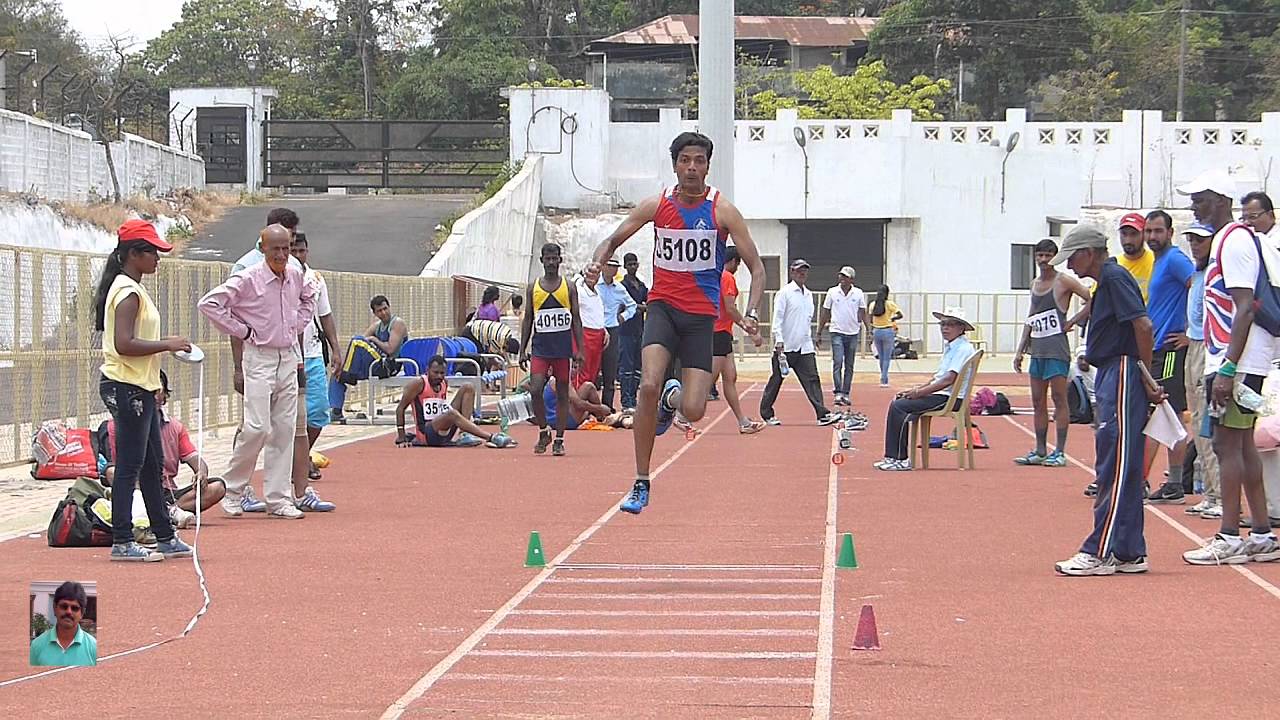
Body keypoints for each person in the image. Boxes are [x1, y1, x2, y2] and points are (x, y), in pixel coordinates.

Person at [585, 131, 766, 515]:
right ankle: (640, 480)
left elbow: (758, 268)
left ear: (708, 166)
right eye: (685, 160)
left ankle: (673, 399)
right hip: (663, 309)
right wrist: (596, 261)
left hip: (701, 319)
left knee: (696, 409)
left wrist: (750, 314)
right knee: (647, 384)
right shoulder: (657, 205)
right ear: (675, 165)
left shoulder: (723, 212)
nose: (692, 168)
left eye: (699, 161)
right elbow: (612, 241)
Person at [1178, 171, 1280, 565]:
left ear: (1221, 200)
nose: (1195, 206)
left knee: (1225, 445)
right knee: (1239, 444)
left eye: (1201, 199)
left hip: (1235, 360)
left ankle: (1230, 535)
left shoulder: (1233, 241)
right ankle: (1259, 533)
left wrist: (1228, 368)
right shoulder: (1232, 239)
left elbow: (1245, 307)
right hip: (1239, 358)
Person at [1052, 224, 1164, 576]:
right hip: (1115, 371)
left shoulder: (1114, 278)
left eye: (1072, 256)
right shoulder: (1109, 281)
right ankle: (1128, 550)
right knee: (1125, 466)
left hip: (1121, 372)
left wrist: (1143, 376)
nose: (1069, 265)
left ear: (1088, 252)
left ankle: (1099, 549)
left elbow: (1143, 326)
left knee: (1112, 464)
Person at [199, 224, 318, 520]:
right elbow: (210, 304)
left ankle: (278, 498)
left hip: (287, 356)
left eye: (285, 248)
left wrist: (296, 324)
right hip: (259, 357)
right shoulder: (248, 278)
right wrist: (243, 331)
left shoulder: (295, 275)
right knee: (257, 427)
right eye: (275, 249)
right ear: (262, 248)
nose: (281, 254)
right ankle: (232, 490)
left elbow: (310, 296)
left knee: (285, 429)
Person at [93, 219, 192, 562]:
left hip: (140, 386)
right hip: (127, 386)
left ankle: (164, 535)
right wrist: (168, 344)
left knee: (151, 463)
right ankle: (122, 539)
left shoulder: (131, 287)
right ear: (134, 254)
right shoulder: (128, 293)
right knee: (131, 464)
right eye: (152, 252)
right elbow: (123, 344)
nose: (158, 258)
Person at [102, 370, 228, 528]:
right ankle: (165, 512)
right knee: (113, 472)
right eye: (149, 392)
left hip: (167, 491)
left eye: (158, 391)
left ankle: (166, 509)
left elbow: (196, 460)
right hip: (135, 487)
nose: (153, 396)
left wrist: (201, 473)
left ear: (164, 397)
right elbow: (114, 465)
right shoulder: (115, 426)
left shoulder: (175, 427)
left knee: (217, 487)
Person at [1012, 239, 1091, 468]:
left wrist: (1073, 321)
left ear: (1055, 258)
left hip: (1057, 350)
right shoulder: (1035, 283)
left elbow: (1090, 298)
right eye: (1040, 256)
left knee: (1059, 399)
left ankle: (1060, 451)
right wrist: (1020, 350)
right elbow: (1032, 315)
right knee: (1037, 401)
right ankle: (1039, 449)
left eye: (1048, 256)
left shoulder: (1063, 280)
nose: (1044, 260)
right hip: (1038, 350)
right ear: (1035, 257)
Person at [874, 307, 978, 472]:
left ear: (961, 328)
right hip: (942, 394)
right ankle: (892, 456)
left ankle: (901, 459)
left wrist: (919, 393)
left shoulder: (963, 349)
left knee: (900, 407)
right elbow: (938, 377)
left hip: (950, 398)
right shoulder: (952, 347)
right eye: (943, 324)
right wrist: (915, 390)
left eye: (950, 324)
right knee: (899, 401)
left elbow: (949, 379)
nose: (945, 328)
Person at [1142, 210, 1197, 504]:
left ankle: (1174, 483)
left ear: (1170, 232)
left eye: (1158, 231)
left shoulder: (1176, 260)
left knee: (1170, 414)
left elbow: (1198, 288)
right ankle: (1166, 481)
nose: (1152, 237)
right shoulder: (1159, 262)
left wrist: (1191, 332)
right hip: (1158, 349)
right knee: (1163, 413)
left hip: (1172, 349)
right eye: (1148, 231)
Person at [520, 243, 584, 456]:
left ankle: (559, 439)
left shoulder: (569, 286)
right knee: (536, 389)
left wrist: (579, 349)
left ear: (560, 260)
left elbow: (576, 319)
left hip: (562, 350)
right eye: (547, 259)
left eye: (554, 258)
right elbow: (528, 318)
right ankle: (543, 430)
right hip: (540, 349)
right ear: (541, 260)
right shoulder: (533, 287)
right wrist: (522, 349)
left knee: (563, 394)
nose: (551, 263)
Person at [760, 259, 841, 427]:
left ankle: (822, 414)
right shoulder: (784, 293)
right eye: (799, 270)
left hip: (804, 346)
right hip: (786, 346)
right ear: (792, 272)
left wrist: (811, 340)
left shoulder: (808, 295)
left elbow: (806, 320)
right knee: (776, 379)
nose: (802, 273)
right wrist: (779, 340)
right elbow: (777, 319)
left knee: (812, 379)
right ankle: (766, 413)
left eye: (804, 271)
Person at [290, 232, 342, 480]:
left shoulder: (316, 279)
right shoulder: (280, 279)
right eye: (293, 251)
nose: (298, 256)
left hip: (312, 356)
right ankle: (295, 463)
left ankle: (302, 455)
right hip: (289, 356)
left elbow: (326, 316)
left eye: (302, 251)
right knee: (289, 417)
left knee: (320, 412)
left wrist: (336, 349)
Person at [1179, 222, 1222, 519]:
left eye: (1201, 240)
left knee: (1207, 422)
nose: (1196, 245)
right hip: (1191, 347)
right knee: (1196, 421)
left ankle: (1218, 494)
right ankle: (1208, 490)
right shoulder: (1195, 275)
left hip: (1206, 349)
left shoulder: (1215, 275)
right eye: (1192, 240)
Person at [394, 356, 516, 448]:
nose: (439, 376)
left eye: (442, 373)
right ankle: (491, 437)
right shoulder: (418, 383)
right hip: (427, 434)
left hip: (444, 430)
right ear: (428, 370)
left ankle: (464, 435)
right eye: (435, 372)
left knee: (468, 387)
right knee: (452, 414)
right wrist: (401, 436)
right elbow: (400, 408)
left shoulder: (444, 383)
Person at [711, 246, 766, 434]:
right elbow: (730, 308)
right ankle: (681, 414)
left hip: (723, 333)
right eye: (739, 263)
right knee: (707, 380)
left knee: (730, 377)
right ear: (734, 261)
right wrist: (748, 329)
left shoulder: (718, 275)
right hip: (718, 333)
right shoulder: (726, 277)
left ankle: (742, 421)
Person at [330, 295, 409, 421]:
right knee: (337, 374)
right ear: (375, 313)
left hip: (390, 366)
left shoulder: (397, 323)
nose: (383, 313)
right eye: (379, 311)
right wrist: (342, 366)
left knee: (357, 340)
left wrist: (374, 339)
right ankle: (336, 411)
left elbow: (390, 349)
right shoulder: (377, 326)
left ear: (389, 307)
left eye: (385, 309)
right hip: (376, 364)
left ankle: (348, 374)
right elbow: (357, 346)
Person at [817, 266, 866, 408]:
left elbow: (862, 312)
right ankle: (838, 391)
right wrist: (819, 332)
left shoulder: (858, 293)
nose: (842, 279)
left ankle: (846, 392)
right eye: (841, 276)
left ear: (851, 279)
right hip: (836, 331)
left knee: (849, 365)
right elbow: (825, 312)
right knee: (837, 361)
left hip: (852, 332)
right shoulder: (832, 292)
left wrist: (869, 330)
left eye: (845, 277)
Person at [597, 256, 639, 408]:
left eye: (615, 266)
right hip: (594, 329)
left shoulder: (620, 289)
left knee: (610, 370)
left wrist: (623, 316)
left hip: (612, 329)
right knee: (591, 371)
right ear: (603, 267)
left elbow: (632, 306)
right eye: (609, 265)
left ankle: (607, 407)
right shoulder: (594, 285)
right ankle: (589, 407)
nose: (612, 269)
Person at [30, 582, 96, 667]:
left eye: (74, 608)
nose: (68, 611)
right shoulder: (37, 646)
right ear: (54, 608)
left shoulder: (94, 648)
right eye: (64, 606)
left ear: (82, 613)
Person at [232, 207, 304, 273]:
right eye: (276, 248)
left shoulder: (295, 265)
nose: (291, 239)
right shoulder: (244, 267)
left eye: (293, 235)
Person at [618, 252, 648, 410]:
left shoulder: (641, 286)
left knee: (637, 366)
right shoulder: (621, 286)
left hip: (639, 329)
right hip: (625, 330)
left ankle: (633, 399)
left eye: (634, 264)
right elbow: (623, 305)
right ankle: (626, 401)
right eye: (629, 264)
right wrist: (639, 307)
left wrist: (639, 307)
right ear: (625, 267)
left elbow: (648, 303)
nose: (632, 267)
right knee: (626, 366)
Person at [574, 269, 608, 390]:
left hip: (598, 335)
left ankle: (586, 400)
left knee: (594, 371)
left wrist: (604, 329)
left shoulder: (597, 292)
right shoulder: (579, 290)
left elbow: (596, 312)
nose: (592, 277)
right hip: (585, 333)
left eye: (595, 274)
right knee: (583, 371)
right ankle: (578, 403)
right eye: (589, 274)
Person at [868, 285, 902, 387]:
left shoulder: (873, 304)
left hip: (876, 331)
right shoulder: (890, 304)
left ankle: (882, 376)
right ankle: (884, 379)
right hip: (887, 330)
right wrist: (892, 319)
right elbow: (900, 315)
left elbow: (870, 318)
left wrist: (870, 330)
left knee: (881, 357)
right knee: (887, 357)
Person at [1117, 212, 1154, 302]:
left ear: (1144, 235)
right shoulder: (1113, 264)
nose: (1128, 240)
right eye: (1124, 234)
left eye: (1134, 234)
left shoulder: (1157, 261)